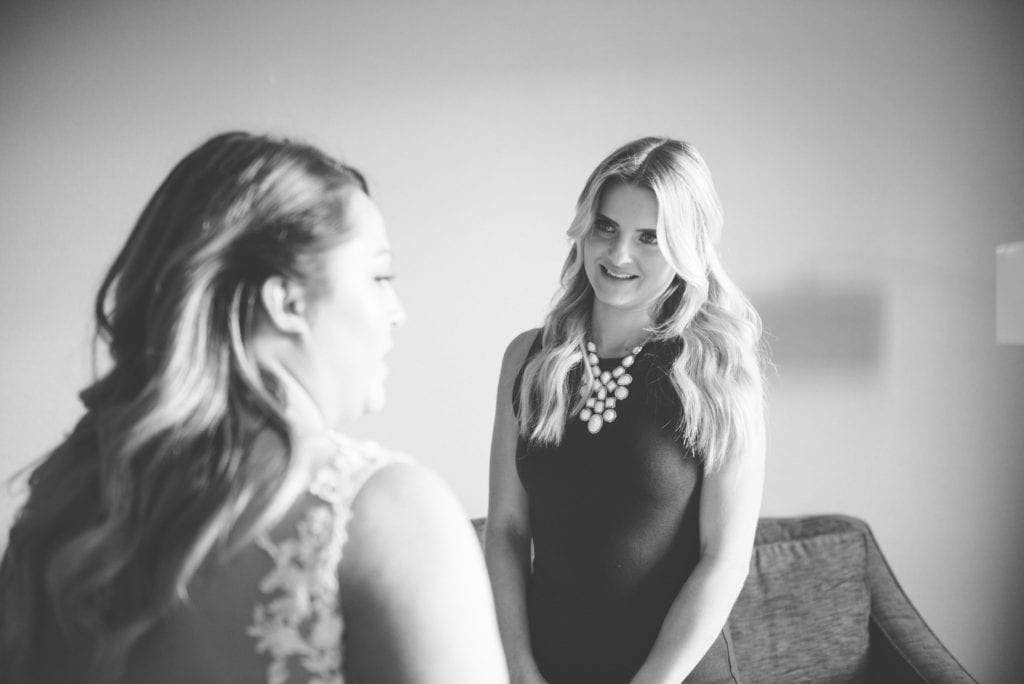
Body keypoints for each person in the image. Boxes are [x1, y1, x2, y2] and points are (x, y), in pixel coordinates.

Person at [0, 132, 508, 684]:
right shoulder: (389, 514)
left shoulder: (63, 501)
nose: (397, 312)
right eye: (379, 277)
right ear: (287, 302)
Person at [485, 137, 766, 684]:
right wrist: (520, 670)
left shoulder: (718, 372)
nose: (618, 256)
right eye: (606, 228)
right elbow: (506, 531)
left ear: (688, 247)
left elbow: (725, 560)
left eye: (649, 238)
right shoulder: (527, 358)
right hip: (546, 670)